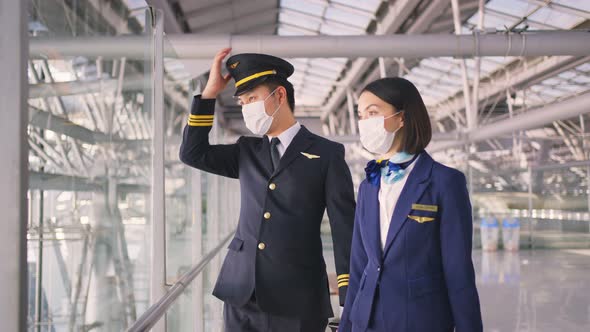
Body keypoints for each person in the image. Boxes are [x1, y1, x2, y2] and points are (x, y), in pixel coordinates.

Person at [179, 48, 355, 332]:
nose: (246, 106)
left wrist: (349, 295)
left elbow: (344, 227)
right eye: (242, 100)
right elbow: (192, 153)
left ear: (280, 96)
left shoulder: (327, 154)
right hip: (240, 292)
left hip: (297, 299)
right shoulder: (247, 151)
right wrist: (208, 94)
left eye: (252, 98)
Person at [339, 77, 483, 332]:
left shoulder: (445, 182)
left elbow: (458, 269)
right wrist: (347, 326)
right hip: (367, 320)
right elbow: (359, 265)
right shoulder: (368, 185)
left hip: (419, 320)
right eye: (360, 115)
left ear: (401, 117)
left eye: (373, 112)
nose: (364, 123)